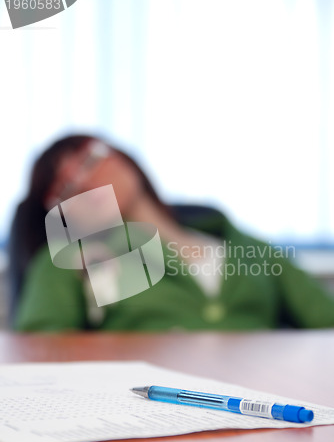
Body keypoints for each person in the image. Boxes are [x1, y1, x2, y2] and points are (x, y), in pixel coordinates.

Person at [9, 134, 334, 332]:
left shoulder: (252, 249)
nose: (81, 182)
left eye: (87, 160)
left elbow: (325, 323)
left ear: (123, 158)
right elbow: (42, 354)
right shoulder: (64, 264)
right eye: (63, 188)